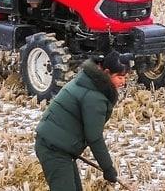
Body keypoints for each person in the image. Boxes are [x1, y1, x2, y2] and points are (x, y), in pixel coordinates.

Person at [34, 51, 129, 190]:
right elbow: (94, 137)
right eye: (120, 77)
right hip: (53, 149)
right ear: (107, 72)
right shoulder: (94, 97)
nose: (123, 82)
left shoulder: (90, 82)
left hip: (61, 147)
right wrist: (108, 168)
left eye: (125, 77)